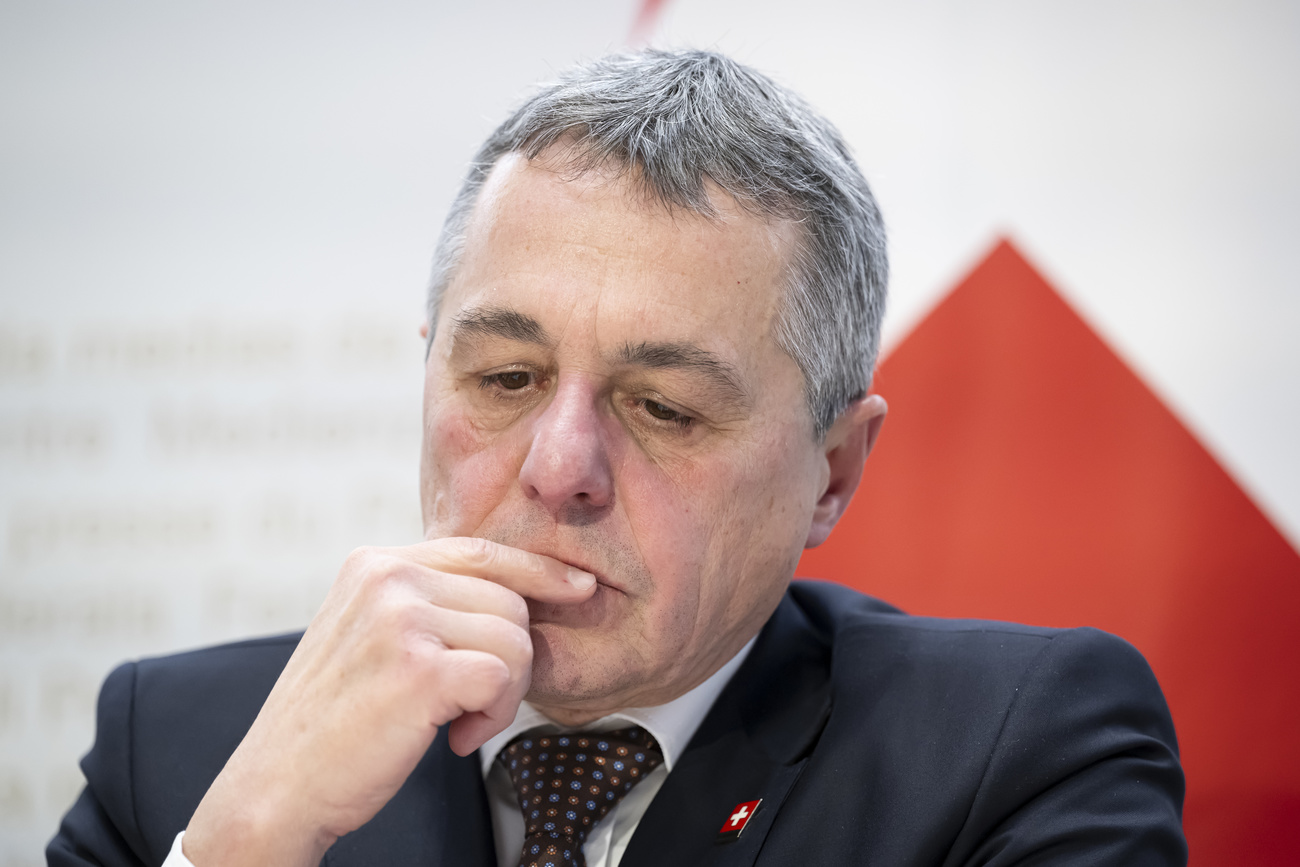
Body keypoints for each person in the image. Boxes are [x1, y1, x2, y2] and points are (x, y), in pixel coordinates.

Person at [48, 49, 1186, 867]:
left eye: (662, 407)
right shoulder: (187, 750)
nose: (559, 468)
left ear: (831, 472)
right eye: (505, 380)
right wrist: (244, 850)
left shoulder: (1015, 751)